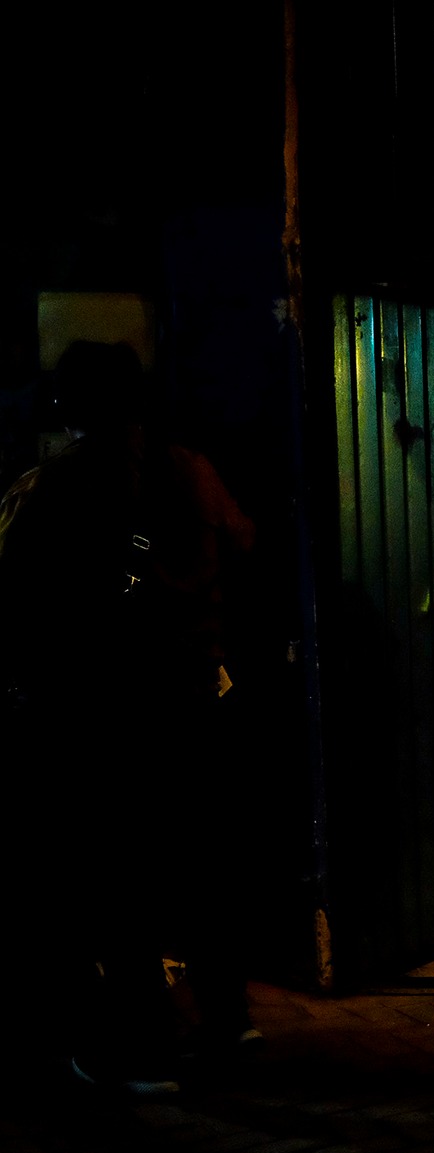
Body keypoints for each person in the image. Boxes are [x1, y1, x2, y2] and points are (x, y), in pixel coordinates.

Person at [0, 341, 256, 1092]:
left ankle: (144, 1048)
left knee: (121, 881)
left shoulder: (55, 486)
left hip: (107, 716)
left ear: (68, 408)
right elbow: (245, 542)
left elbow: (17, 592)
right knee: (202, 872)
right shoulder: (192, 469)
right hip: (196, 703)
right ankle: (229, 1020)